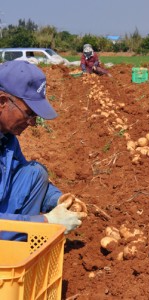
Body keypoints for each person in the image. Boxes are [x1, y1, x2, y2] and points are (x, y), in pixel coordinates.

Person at [0, 60, 86, 240]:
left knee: (35, 173)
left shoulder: (6, 139)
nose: (32, 123)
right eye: (29, 113)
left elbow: (20, 176)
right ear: (2, 101)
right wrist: (47, 221)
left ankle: (20, 244)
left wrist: (59, 201)